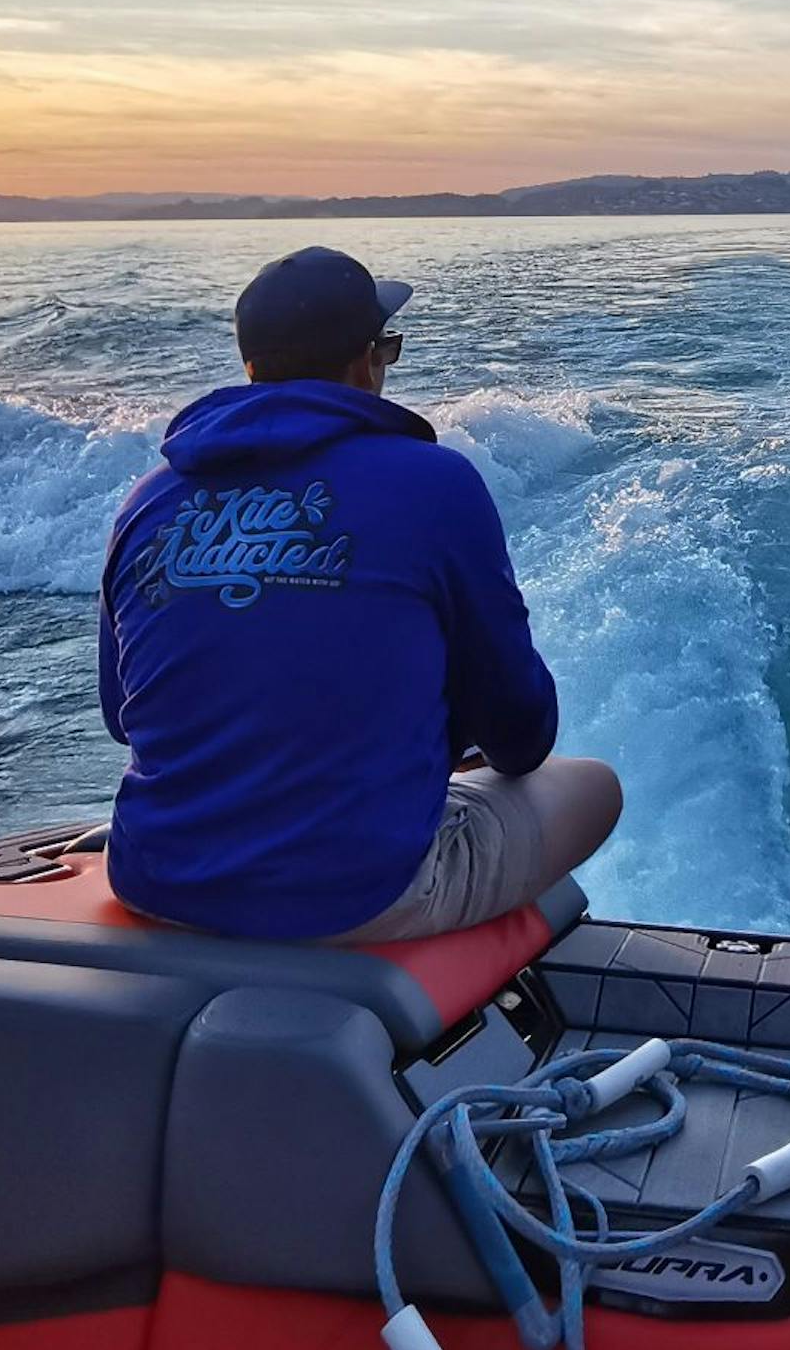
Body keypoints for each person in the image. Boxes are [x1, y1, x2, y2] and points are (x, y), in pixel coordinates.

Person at [96, 246, 620, 941]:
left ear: (251, 367)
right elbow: (522, 735)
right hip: (359, 897)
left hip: (152, 877)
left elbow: (122, 718)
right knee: (594, 788)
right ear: (365, 363)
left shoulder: (150, 499)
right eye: (388, 349)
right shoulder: (434, 484)